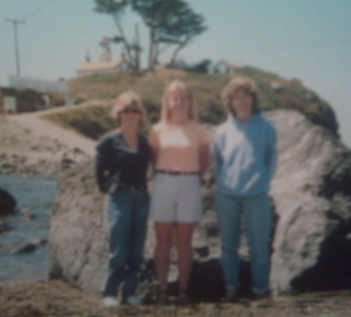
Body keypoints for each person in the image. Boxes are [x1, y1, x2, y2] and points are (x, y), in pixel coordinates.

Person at [214, 76, 277, 301]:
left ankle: (260, 290)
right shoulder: (222, 131)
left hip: (257, 195)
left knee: (259, 247)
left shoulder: (266, 127)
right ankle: (231, 288)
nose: (241, 101)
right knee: (228, 246)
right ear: (230, 102)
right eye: (236, 97)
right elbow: (218, 163)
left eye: (245, 96)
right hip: (226, 196)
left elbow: (271, 160)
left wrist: (261, 183)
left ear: (253, 98)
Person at [148, 79, 210, 304]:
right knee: (163, 241)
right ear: (168, 101)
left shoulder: (199, 130)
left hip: (189, 183)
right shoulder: (157, 129)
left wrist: (191, 177)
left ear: (190, 101)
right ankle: (163, 290)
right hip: (163, 181)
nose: (180, 102)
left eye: (184, 97)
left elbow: (204, 161)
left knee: (185, 242)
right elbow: (155, 160)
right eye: (175, 98)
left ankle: (183, 290)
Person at [95, 91, 150, 307]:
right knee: (119, 249)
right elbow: (99, 170)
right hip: (120, 198)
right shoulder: (108, 141)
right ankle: (109, 292)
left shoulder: (145, 142)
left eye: (135, 111)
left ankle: (129, 292)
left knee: (136, 249)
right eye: (126, 110)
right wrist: (107, 191)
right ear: (118, 113)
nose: (130, 114)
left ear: (140, 115)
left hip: (141, 197)